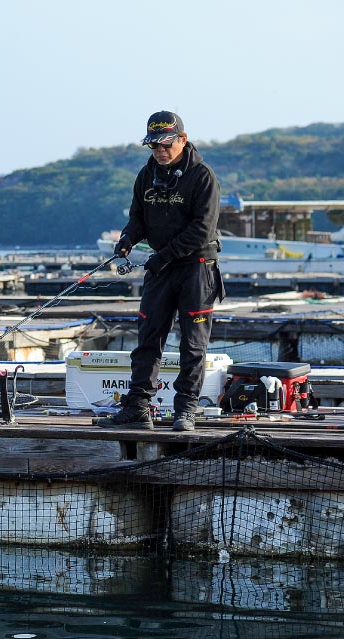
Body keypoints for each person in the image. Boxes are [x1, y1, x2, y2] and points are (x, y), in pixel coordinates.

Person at [98, 111, 224, 433]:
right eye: (153, 145)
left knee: (193, 345)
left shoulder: (203, 176)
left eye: (166, 144)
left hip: (196, 267)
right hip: (161, 267)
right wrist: (127, 239)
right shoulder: (146, 175)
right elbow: (137, 219)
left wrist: (163, 256)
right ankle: (138, 407)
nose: (160, 151)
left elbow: (202, 230)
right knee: (147, 339)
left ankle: (186, 411)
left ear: (182, 139)